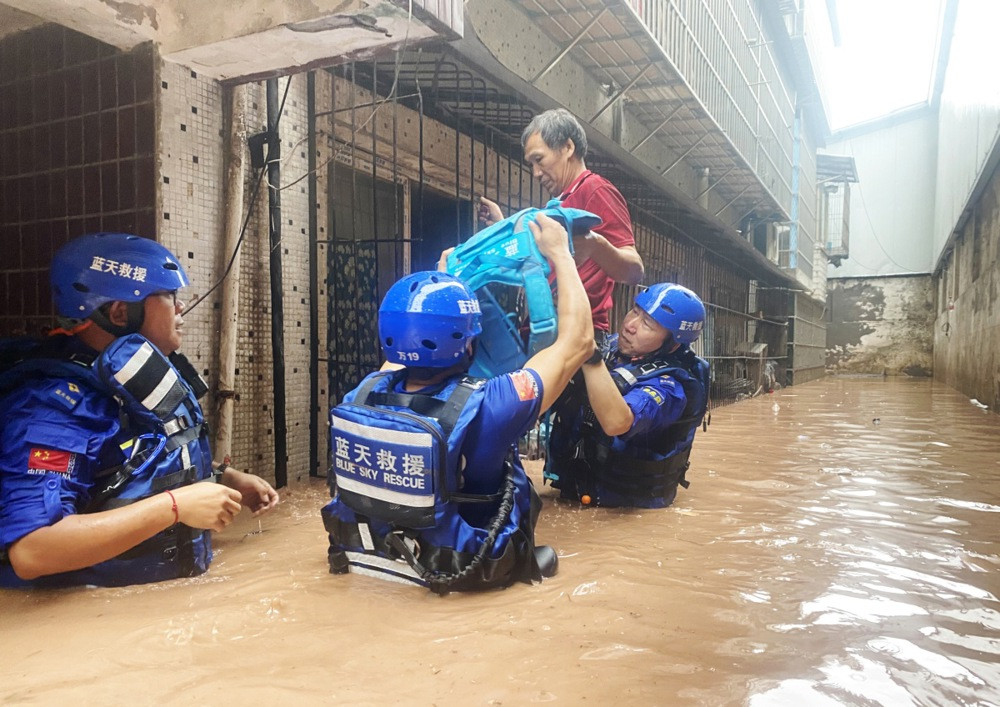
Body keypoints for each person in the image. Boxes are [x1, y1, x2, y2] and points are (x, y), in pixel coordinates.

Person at [321, 213, 594, 593]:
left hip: (368, 560)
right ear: (468, 343)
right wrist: (561, 254)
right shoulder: (494, 403)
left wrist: (445, 279)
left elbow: (408, 351)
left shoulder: (362, 393)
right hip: (454, 568)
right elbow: (578, 342)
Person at [0, 232, 279, 588]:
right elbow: (34, 551)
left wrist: (221, 479)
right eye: (169, 297)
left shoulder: (130, 379)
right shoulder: (54, 406)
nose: (181, 309)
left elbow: (126, 467)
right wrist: (175, 506)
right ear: (120, 313)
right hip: (91, 624)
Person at [478, 108, 644, 335]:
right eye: (531, 165)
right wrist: (502, 224)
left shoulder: (596, 190)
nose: (536, 173)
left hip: (576, 333)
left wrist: (596, 245)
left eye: (539, 159)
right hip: (548, 328)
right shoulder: (561, 202)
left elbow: (635, 271)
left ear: (567, 147)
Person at [545, 283, 711, 509]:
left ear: (672, 344)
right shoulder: (613, 348)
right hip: (574, 491)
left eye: (647, 324)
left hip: (625, 506)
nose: (630, 325)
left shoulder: (671, 387)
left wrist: (589, 358)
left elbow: (618, 422)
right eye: (634, 311)